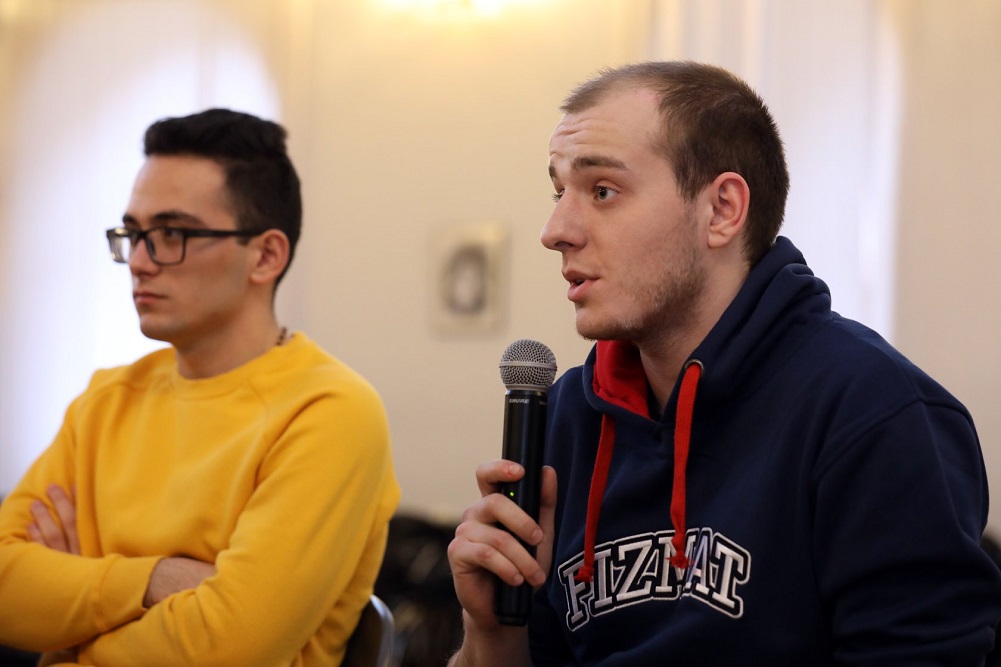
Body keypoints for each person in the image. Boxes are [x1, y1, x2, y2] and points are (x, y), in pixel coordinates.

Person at [446, 61, 1001, 665]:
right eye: (559, 192)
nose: (555, 231)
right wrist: (493, 632)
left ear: (722, 210)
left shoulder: (874, 413)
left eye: (602, 191)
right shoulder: (569, 415)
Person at [0, 108, 400, 665]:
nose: (140, 262)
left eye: (172, 233)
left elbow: (229, 646)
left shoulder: (329, 411)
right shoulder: (104, 400)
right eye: (134, 234)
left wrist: (71, 623)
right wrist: (152, 580)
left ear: (265, 255)